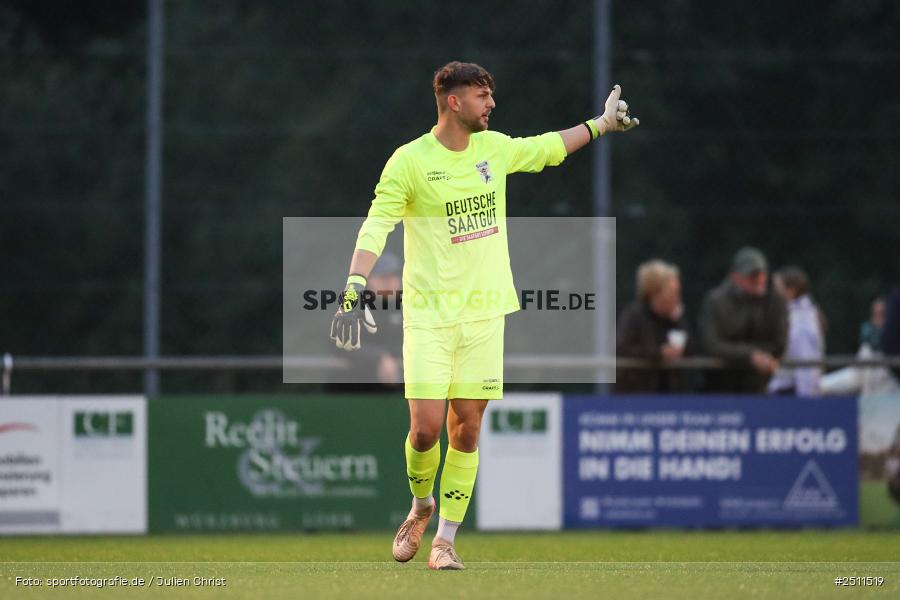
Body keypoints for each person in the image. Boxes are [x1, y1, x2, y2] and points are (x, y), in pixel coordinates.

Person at [328, 61, 639, 570]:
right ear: (453, 101)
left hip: (485, 314)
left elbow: (546, 148)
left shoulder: (494, 150)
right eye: (481, 95)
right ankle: (421, 504)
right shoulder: (409, 161)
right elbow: (375, 225)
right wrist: (354, 285)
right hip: (428, 315)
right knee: (426, 429)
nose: (490, 103)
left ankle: (446, 540)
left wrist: (600, 125)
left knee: (466, 430)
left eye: (490, 94)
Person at [700, 247, 788, 393]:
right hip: (721, 385)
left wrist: (757, 357)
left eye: (761, 274)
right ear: (735, 276)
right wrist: (750, 356)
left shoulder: (776, 300)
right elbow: (712, 344)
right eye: (752, 275)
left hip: (761, 384)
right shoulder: (716, 301)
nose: (759, 279)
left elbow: (780, 343)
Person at [615, 260, 692, 393]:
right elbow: (622, 348)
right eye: (672, 292)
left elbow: (690, 348)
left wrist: (678, 323)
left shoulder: (674, 318)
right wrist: (659, 353)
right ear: (655, 292)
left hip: (670, 392)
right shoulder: (634, 315)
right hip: (637, 393)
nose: (677, 298)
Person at [767, 266, 824, 397]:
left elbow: (806, 363)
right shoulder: (792, 315)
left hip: (792, 394)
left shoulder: (801, 320)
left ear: (790, 291)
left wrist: (805, 404)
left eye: (777, 288)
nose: (772, 293)